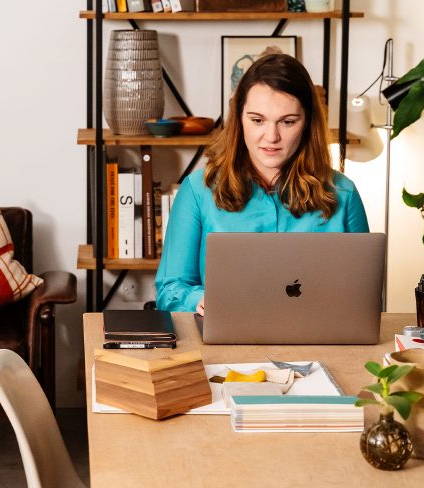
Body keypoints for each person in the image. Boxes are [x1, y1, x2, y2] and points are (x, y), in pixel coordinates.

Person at [154, 53, 370, 314]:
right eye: (257, 120)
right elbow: (170, 289)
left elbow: (366, 299)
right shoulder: (198, 190)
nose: (271, 137)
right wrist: (199, 299)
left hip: (321, 347)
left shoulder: (344, 194)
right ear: (239, 119)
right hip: (225, 347)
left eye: (288, 122)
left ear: (307, 123)